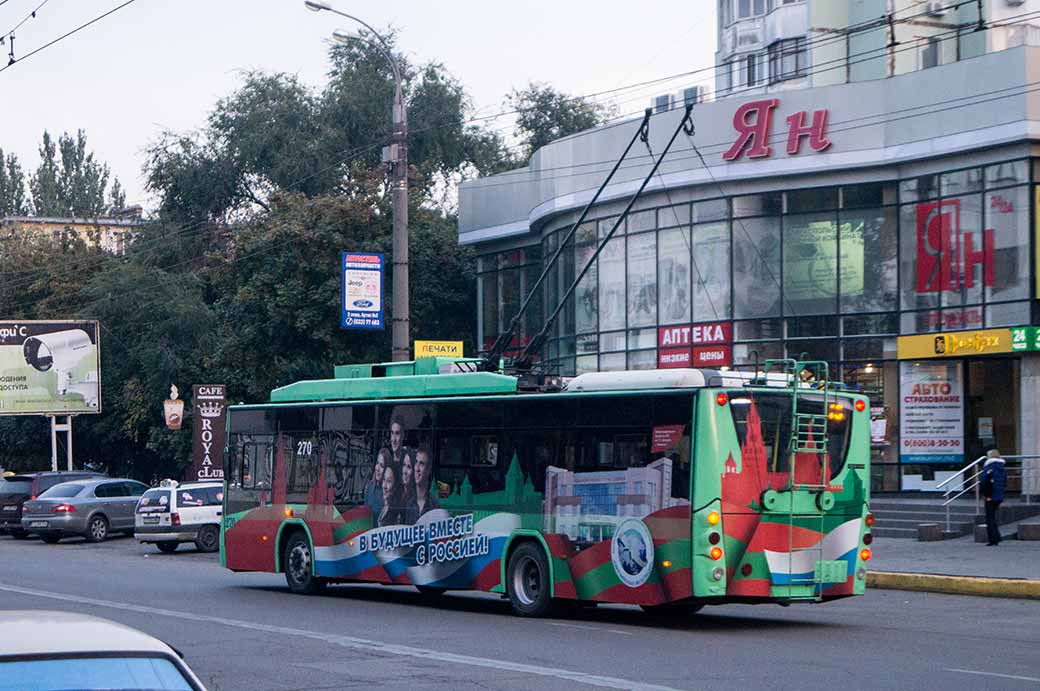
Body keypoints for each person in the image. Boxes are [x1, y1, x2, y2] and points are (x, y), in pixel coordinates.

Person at [980, 449, 1007, 546]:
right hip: (998, 495)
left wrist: (986, 495)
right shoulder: (1001, 468)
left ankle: (993, 539)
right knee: (993, 517)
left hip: (990, 496)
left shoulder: (989, 467)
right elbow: (1004, 482)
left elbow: (984, 482)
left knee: (989, 518)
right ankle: (997, 537)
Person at [413, 445, 439, 518]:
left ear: (429, 470)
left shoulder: (435, 505)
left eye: (421, 464)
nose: (417, 469)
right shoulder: (407, 504)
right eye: (416, 462)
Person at [366, 448, 390, 517]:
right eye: (377, 463)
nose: (378, 468)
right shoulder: (369, 487)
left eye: (382, 466)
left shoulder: (389, 492)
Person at [377, 464, 402, 528]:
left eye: (389, 481)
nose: (384, 486)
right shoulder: (384, 506)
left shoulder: (398, 512)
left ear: (396, 486)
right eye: (384, 480)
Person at [398, 450, 418, 523]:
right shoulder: (397, 492)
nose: (405, 471)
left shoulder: (416, 499)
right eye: (404, 465)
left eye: (409, 467)